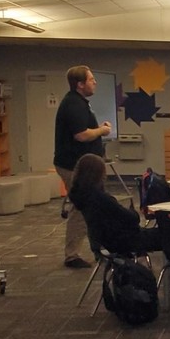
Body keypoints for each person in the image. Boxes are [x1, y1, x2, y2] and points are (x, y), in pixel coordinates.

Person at [69, 154, 170, 297]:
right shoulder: (102, 199)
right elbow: (132, 219)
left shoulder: (83, 198)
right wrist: (131, 211)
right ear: (98, 175)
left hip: (105, 242)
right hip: (126, 240)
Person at [54, 66, 111, 269]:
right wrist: (102, 131)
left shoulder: (78, 103)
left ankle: (100, 245)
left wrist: (98, 130)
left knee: (93, 205)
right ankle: (72, 255)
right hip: (74, 166)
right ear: (80, 84)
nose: (95, 82)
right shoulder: (73, 104)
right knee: (81, 207)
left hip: (83, 165)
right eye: (91, 79)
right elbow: (81, 135)